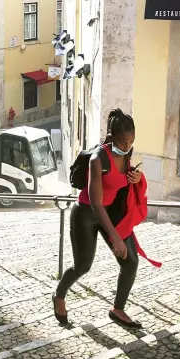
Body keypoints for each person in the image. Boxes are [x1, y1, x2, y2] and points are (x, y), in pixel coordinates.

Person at [53, 108, 143, 329]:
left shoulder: (126, 154)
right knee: (83, 266)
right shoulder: (98, 159)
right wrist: (115, 238)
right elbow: (95, 202)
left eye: (131, 142)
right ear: (111, 138)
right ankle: (59, 294)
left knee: (130, 262)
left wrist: (136, 177)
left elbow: (121, 184)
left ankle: (118, 309)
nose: (127, 147)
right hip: (86, 213)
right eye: (123, 143)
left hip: (111, 212)